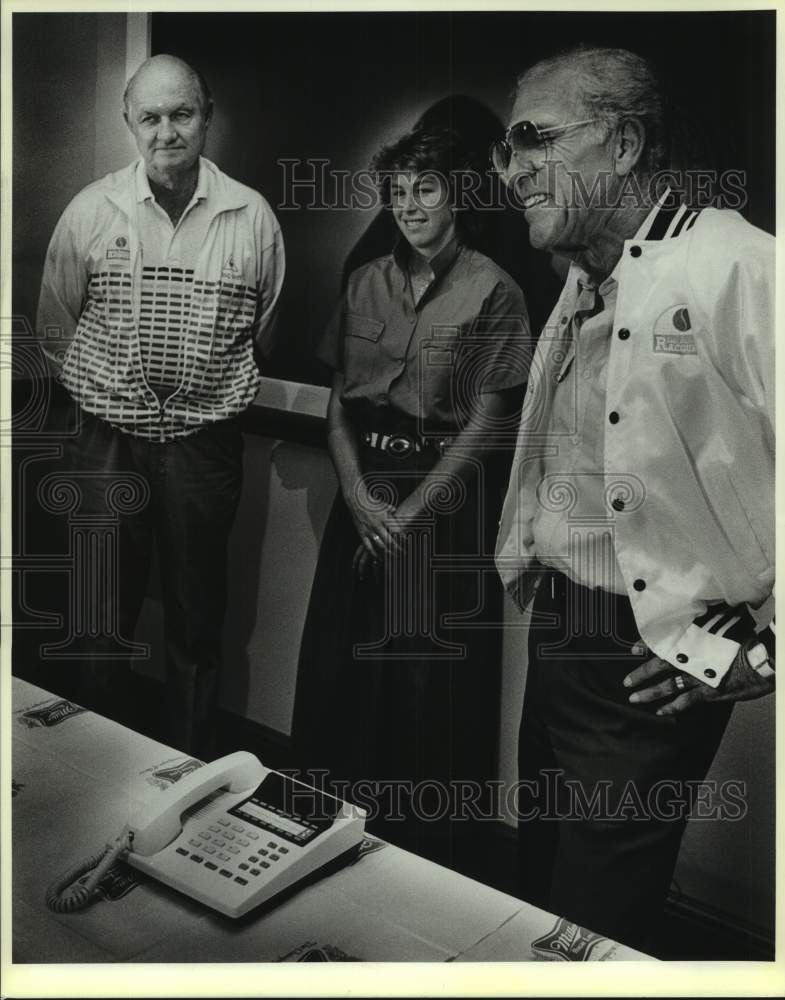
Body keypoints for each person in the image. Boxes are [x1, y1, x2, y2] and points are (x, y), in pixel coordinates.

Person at [492, 45, 774, 952]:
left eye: (532, 140)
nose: (511, 171)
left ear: (620, 145)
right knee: (536, 884)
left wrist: (763, 645)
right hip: (564, 632)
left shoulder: (741, 270)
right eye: (506, 150)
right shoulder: (588, 276)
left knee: (591, 923)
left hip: (646, 658)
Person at [292, 127, 531, 868]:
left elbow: (490, 420)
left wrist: (409, 515)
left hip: (444, 510)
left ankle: (416, 860)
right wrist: (360, 500)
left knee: (425, 691)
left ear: (457, 192)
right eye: (397, 193)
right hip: (363, 501)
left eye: (424, 189)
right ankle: (324, 837)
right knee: (341, 672)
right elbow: (338, 406)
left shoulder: (494, 288)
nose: (409, 206)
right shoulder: (364, 279)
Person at [36, 54, 285, 759]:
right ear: (129, 124)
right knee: (98, 618)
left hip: (204, 448)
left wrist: (194, 396)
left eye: (181, 114)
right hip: (104, 441)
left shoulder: (252, 217)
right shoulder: (91, 210)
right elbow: (56, 327)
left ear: (206, 116)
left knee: (197, 619)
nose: (166, 131)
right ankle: (87, 772)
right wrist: (120, 401)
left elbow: (260, 333)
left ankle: (189, 775)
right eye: (150, 117)